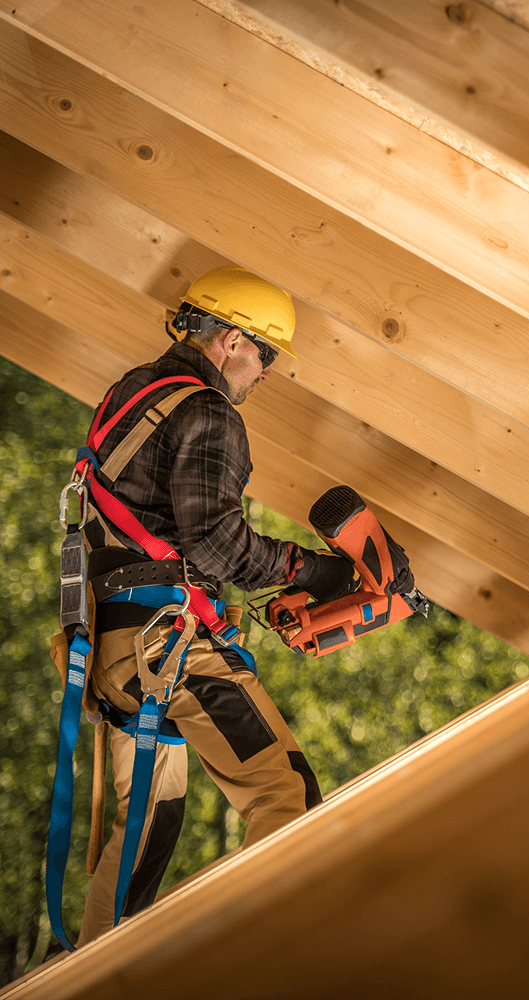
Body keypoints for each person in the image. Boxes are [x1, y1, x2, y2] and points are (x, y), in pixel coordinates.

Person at [76, 263, 356, 945]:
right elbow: (216, 543)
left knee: (146, 822)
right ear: (231, 339)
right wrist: (317, 571)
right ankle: (263, 961)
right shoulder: (206, 409)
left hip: (112, 649)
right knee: (283, 797)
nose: (265, 374)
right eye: (265, 356)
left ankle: (82, 976)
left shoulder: (132, 391)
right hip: (165, 647)